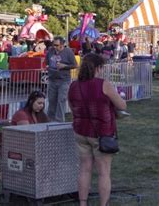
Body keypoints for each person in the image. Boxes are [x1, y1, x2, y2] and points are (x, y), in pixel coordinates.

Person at [68, 53, 127, 206]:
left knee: (84, 169)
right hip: (102, 133)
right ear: (98, 68)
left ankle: (82, 203)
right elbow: (122, 105)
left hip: (80, 131)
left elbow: (72, 107)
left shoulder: (73, 85)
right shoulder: (103, 84)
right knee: (104, 172)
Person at [46, 36, 78, 122]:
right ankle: (50, 121)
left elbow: (75, 65)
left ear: (62, 45)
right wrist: (47, 67)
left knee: (61, 100)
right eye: (54, 45)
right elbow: (47, 62)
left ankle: (59, 122)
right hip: (52, 79)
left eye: (57, 45)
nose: (55, 47)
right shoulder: (50, 51)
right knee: (51, 101)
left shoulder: (68, 52)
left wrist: (65, 66)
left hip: (64, 80)